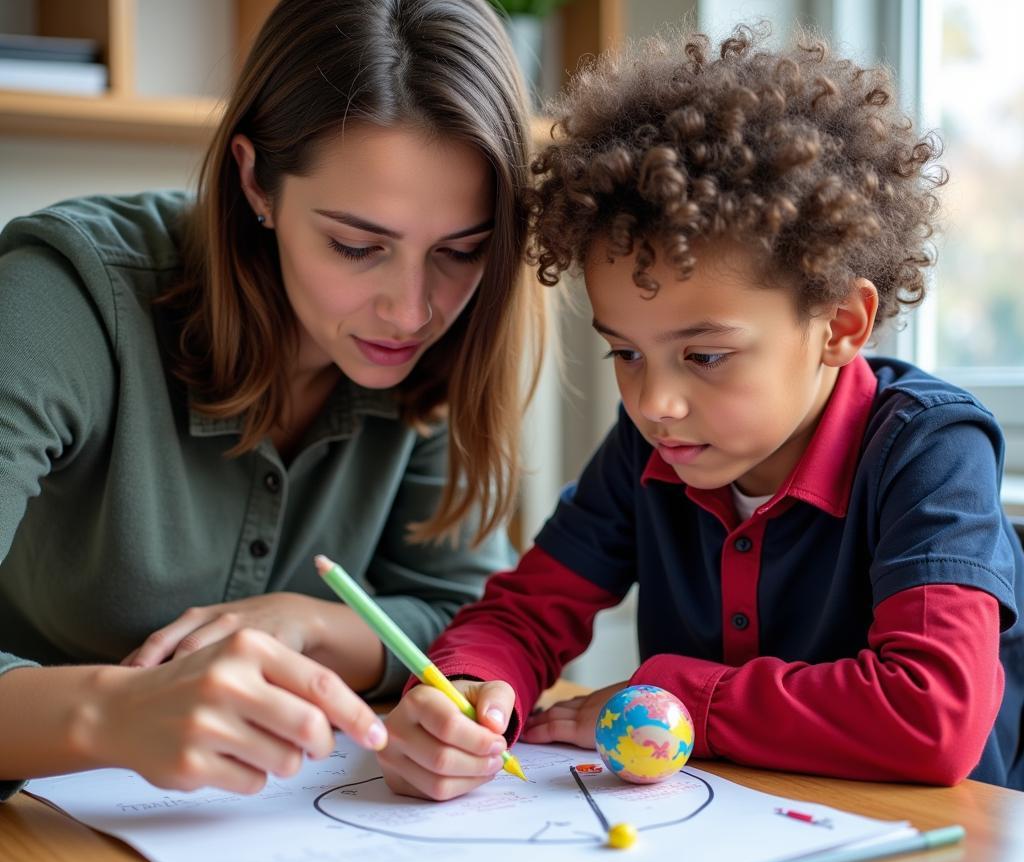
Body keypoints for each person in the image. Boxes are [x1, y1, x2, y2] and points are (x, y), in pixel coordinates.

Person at [378, 23, 1024, 800]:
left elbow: (933, 716)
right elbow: (525, 614)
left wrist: (680, 697)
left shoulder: (930, 449)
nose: (656, 403)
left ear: (841, 325)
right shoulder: (652, 448)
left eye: (706, 356)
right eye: (626, 353)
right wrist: (462, 689)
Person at [0, 0, 541, 799]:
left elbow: (457, 609)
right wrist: (108, 714)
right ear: (256, 180)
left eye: (462, 251)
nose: (412, 310)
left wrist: (314, 627)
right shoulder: (60, 301)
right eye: (357, 246)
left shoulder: (445, 343)